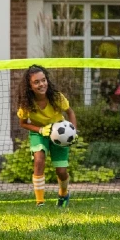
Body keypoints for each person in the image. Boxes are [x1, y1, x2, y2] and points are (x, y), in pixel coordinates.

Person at [17, 65, 78, 207]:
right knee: (39, 161)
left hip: (59, 133)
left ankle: (63, 194)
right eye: (36, 82)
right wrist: (40, 130)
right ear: (30, 86)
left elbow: (70, 112)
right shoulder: (26, 104)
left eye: (43, 80)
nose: (41, 84)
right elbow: (23, 123)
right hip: (39, 132)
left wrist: (73, 131)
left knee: (61, 171)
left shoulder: (57, 97)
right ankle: (40, 202)